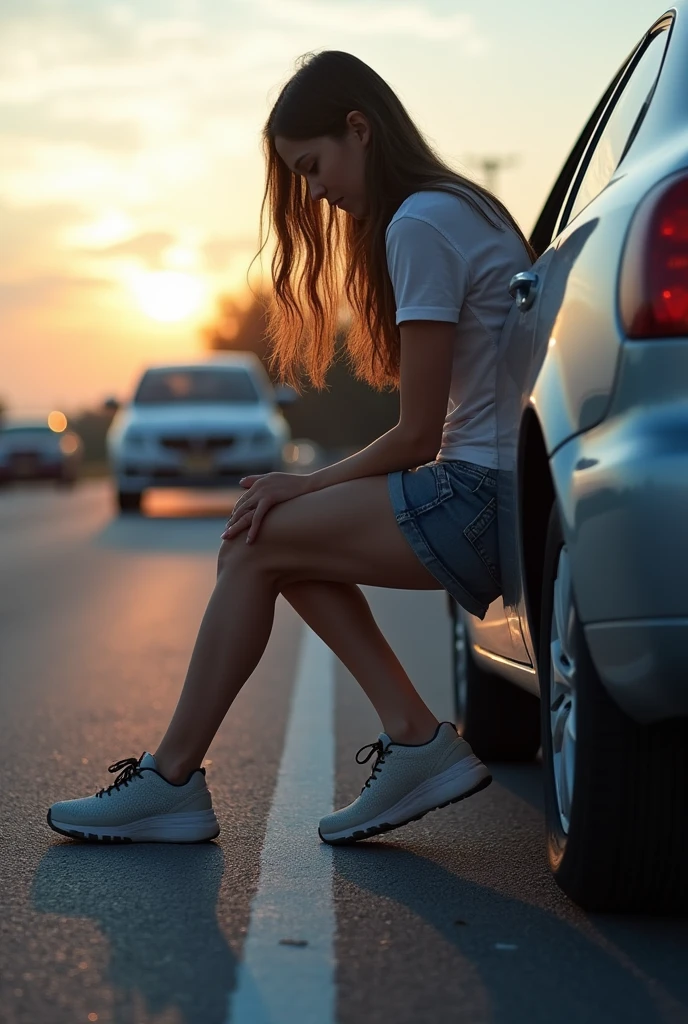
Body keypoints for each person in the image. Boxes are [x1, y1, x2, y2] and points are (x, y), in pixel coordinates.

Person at [47, 50, 534, 846]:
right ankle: (411, 737)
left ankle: (171, 779)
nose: (315, 193)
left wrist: (302, 485)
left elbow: (417, 434)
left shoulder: (418, 223)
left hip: (474, 498)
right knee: (271, 541)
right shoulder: (461, 206)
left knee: (259, 534)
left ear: (359, 128)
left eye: (313, 168)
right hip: (495, 495)